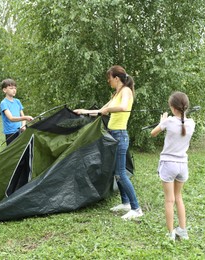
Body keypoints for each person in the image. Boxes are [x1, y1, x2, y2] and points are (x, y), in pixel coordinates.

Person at [73, 65, 143, 220]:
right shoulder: (116, 93)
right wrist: (83, 111)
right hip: (113, 135)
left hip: (120, 135)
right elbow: (101, 110)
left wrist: (108, 110)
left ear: (116, 78)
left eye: (109, 78)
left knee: (120, 173)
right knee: (116, 172)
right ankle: (125, 203)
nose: (108, 81)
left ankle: (136, 208)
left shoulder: (126, 91)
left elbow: (123, 107)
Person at [150, 91, 195, 241]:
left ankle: (170, 234)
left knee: (169, 200)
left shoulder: (168, 121)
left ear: (172, 106)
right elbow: (180, 124)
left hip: (169, 164)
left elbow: (153, 133)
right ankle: (182, 230)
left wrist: (161, 121)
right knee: (179, 198)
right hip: (183, 165)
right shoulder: (192, 123)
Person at [0, 79, 33, 145]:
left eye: (15, 88)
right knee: (13, 153)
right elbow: (11, 118)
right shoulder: (4, 103)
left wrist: (23, 125)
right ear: (4, 90)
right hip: (11, 133)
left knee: (24, 150)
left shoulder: (17, 101)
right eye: (11, 88)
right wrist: (26, 118)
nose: (14, 90)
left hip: (21, 131)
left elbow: (22, 116)